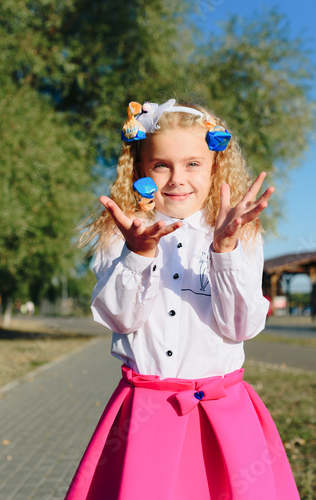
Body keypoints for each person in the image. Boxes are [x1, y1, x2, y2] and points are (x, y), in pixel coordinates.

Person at [65, 99, 300, 500]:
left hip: (223, 415)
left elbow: (241, 327)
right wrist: (137, 254)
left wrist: (224, 250)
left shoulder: (240, 232)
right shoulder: (119, 234)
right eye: (161, 165)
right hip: (144, 415)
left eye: (192, 163)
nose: (177, 179)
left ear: (215, 166)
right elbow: (120, 319)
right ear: (140, 168)